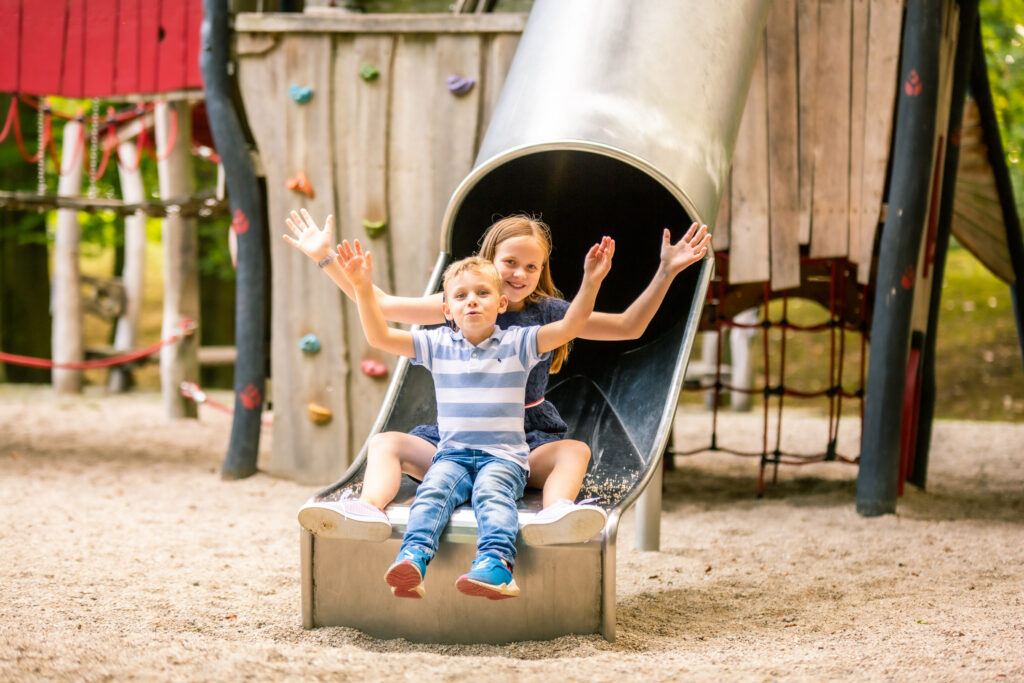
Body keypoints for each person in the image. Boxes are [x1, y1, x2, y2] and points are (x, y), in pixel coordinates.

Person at [286, 210, 709, 545]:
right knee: (387, 444)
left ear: (541, 269)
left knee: (573, 451)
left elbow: (628, 327)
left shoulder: (549, 314)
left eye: (531, 266)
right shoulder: (467, 300)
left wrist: (666, 271)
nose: (519, 274)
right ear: (490, 262)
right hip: (458, 437)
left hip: (522, 444)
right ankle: (368, 509)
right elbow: (381, 306)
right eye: (509, 262)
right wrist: (323, 257)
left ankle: (556, 515)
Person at [334, 240, 612, 599]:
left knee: (492, 497)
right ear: (447, 309)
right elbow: (380, 335)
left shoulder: (519, 343)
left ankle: (495, 564)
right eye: (461, 296)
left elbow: (571, 325)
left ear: (500, 303)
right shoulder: (437, 345)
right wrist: (361, 287)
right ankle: (412, 560)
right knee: (432, 495)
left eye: (482, 293)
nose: (472, 301)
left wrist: (591, 281)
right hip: (452, 455)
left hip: (503, 456)